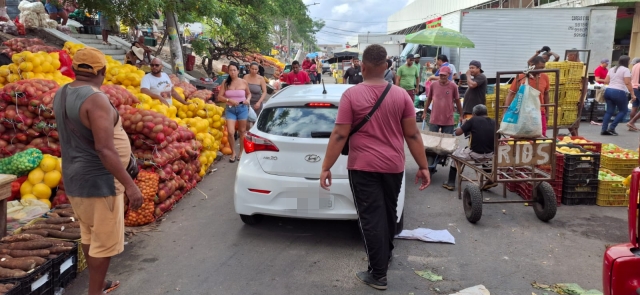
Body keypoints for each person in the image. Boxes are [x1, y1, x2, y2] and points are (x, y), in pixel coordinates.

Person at [320, 44, 430, 291]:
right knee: (389, 213)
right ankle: (385, 256)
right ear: (387, 67)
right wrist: (423, 166)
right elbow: (412, 135)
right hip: (393, 166)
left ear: (363, 66)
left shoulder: (351, 95)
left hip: (363, 167)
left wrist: (326, 166)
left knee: (371, 218)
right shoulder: (401, 95)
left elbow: (339, 135)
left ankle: (378, 274)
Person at [53, 47, 143, 295]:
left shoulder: (61, 93)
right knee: (103, 244)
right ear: (102, 70)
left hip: (75, 178)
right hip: (100, 183)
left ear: (74, 68)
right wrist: (131, 185)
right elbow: (104, 149)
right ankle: (94, 292)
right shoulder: (96, 99)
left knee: (90, 235)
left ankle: (98, 282)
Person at [443, 104, 496, 191]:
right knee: (485, 156)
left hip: (475, 154)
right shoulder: (494, 122)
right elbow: (499, 137)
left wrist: (464, 124)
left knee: (455, 155)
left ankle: (450, 183)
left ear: (474, 114)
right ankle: (490, 179)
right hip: (490, 155)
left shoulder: (473, 120)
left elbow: (458, 133)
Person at [505, 56, 550, 136]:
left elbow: (546, 94)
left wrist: (547, 112)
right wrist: (505, 111)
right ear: (532, 65)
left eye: (543, 68)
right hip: (522, 112)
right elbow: (511, 94)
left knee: (540, 136)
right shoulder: (521, 77)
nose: (541, 70)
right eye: (540, 67)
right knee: (518, 135)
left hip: (539, 111)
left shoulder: (545, 77)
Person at [217, 63, 251, 162]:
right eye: (231, 70)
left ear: (238, 71)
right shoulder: (225, 82)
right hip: (230, 109)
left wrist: (248, 100)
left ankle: (241, 152)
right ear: (228, 71)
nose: (232, 72)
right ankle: (233, 153)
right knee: (231, 132)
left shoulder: (244, 82)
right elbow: (220, 97)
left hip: (242, 108)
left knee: (242, 132)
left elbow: (249, 94)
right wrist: (229, 100)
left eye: (234, 70)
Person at [601, 55, 635, 136]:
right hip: (619, 92)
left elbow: (606, 81)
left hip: (608, 91)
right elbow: (627, 82)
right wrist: (633, 94)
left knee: (609, 111)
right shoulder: (626, 70)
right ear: (627, 61)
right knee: (623, 110)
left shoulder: (612, 69)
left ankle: (604, 129)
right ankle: (612, 128)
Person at [422, 66, 462, 133]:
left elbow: (457, 101)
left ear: (449, 75)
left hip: (448, 118)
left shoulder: (453, 86)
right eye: (441, 75)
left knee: (447, 140)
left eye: (444, 75)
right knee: (432, 139)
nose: (442, 77)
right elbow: (429, 99)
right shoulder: (433, 85)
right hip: (435, 118)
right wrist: (424, 112)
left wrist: (461, 115)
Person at [625, 58, 640, 131]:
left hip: (634, 87)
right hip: (639, 87)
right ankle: (632, 122)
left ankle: (631, 125)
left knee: (635, 107)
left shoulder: (635, 66)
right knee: (635, 106)